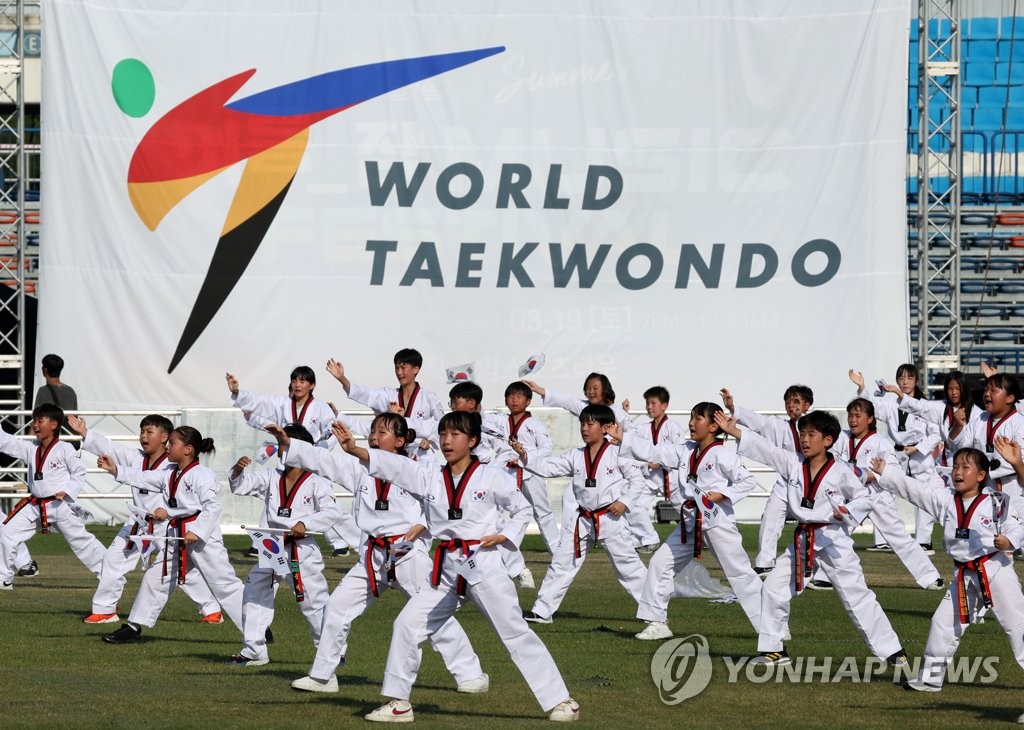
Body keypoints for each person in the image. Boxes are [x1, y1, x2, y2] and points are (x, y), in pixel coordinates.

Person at [335, 412, 580, 723]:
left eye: (455, 435)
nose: (447, 441)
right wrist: (357, 450)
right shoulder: (430, 476)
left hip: (483, 565)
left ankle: (562, 701)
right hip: (446, 570)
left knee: (514, 633)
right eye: (443, 435)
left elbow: (521, 509)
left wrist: (506, 535)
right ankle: (399, 704)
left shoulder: (491, 477)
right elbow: (397, 467)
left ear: (472, 441)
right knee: (407, 625)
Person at [275, 415, 488, 696]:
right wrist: (289, 443)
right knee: (337, 606)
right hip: (372, 555)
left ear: (400, 442)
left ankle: (470, 673)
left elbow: (443, 502)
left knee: (431, 613)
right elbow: (326, 462)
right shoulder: (359, 469)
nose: (374, 436)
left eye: (383, 432)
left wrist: (423, 524)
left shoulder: (417, 471)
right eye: (373, 431)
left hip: (408, 554)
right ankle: (323, 675)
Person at [714, 408, 908, 668]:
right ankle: (774, 650)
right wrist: (735, 430)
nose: (804, 439)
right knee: (772, 588)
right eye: (802, 433)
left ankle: (892, 651)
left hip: (833, 540)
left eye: (811, 434)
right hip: (803, 540)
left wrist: (847, 511)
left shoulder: (840, 471)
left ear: (828, 440)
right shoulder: (793, 463)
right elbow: (765, 449)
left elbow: (864, 497)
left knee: (856, 596)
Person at [870, 448, 1024, 692]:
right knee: (942, 623)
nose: (958, 473)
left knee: (1017, 625)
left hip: (994, 571)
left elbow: (1016, 525)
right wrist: (886, 473)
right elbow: (915, 491)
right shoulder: (945, 498)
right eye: (955, 468)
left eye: (965, 468)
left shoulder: (996, 501)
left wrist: (1009, 541)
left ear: (981, 475)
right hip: (963, 575)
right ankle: (930, 679)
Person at [614, 401, 761, 640]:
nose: (691, 423)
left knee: (740, 574)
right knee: (660, 563)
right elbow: (655, 451)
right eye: (691, 418)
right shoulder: (686, 449)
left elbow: (747, 481)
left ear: (714, 425)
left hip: (717, 523)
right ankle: (657, 622)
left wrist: (720, 494)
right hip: (691, 522)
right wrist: (624, 439)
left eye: (698, 419)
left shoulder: (723, 454)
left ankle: (772, 626)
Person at [68, 414, 223, 624]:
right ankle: (105, 609)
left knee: (177, 568)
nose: (143, 436)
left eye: (150, 432)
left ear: (164, 437)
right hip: (138, 522)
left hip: (165, 525)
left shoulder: (172, 466)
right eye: (142, 431)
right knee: (113, 558)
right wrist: (85, 432)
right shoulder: (135, 458)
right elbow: (111, 448)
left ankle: (211, 608)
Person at [98, 426, 245, 643]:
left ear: (188, 449)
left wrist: (196, 531)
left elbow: (212, 507)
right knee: (154, 577)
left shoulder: (203, 475)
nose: (167, 447)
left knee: (223, 584)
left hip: (203, 539)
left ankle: (256, 627)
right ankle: (133, 627)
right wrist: (116, 470)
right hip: (176, 535)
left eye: (173, 443)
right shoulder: (169, 473)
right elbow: (143, 477)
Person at [515, 404, 649, 624]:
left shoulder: (618, 453)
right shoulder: (575, 455)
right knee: (561, 563)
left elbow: (637, 481)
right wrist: (525, 456)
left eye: (590, 424)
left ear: (606, 427)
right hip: (582, 520)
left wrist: (624, 502)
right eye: (582, 424)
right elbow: (548, 468)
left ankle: (654, 612)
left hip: (610, 518)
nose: (585, 428)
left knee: (628, 567)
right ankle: (542, 611)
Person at [228, 423, 340, 666]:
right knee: (255, 593)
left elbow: (331, 512)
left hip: (301, 549)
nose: (282, 450)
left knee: (312, 600)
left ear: (304, 451)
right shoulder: (271, 476)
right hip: (271, 545)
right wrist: (237, 471)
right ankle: (254, 649)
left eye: (287, 445)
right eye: (281, 445)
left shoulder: (317, 482)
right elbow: (241, 487)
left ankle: (331, 652)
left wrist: (306, 523)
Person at [226, 367, 361, 557]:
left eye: (303, 381)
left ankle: (346, 542)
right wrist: (238, 394)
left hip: (312, 464)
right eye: (295, 380)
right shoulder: (282, 403)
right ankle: (264, 545)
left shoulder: (321, 408)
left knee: (321, 505)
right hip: (286, 461)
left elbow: (331, 433)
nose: (297, 385)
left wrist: (316, 454)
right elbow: (261, 404)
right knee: (276, 500)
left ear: (312, 385)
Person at [523, 372, 657, 551]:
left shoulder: (616, 412)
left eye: (595, 388)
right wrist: (540, 390)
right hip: (589, 465)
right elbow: (567, 401)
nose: (590, 392)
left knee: (629, 499)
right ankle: (569, 540)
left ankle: (648, 538)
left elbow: (631, 432)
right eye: (588, 388)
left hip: (613, 465)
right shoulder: (586, 409)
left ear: (605, 390)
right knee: (570, 497)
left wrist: (621, 437)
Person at [832, 400, 943, 590]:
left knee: (899, 538)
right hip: (851, 497)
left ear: (870, 419)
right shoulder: (841, 437)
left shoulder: (881, 443)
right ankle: (822, 577)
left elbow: (882, 473)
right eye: (850, 415)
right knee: (831, 534)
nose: (853, 420)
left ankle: (930, 577)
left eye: (858, 416)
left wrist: (860, 473)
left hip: (876, 496)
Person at [0, 403, 104, 589]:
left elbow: (79, 472)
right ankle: (4, 578)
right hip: (34, 505)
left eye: (40, 420)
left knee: (81, 541)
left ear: (54, 425)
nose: (35, 425)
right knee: (7, 532)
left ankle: (109, 573)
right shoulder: (31, 448)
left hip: (59, 505)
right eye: (34, 420)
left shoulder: (65, 448)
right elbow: (6, 441)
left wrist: (69, 491)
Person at [720, 385, 816, 579]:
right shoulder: (779, 426)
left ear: (807, 405)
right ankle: (765, 563)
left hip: (814, 479)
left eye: (796, 401)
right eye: (788, 401)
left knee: (814, 523)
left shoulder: (819, 426)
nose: (791, 405)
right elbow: (758, 422)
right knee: (770, 517)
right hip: (787, 480)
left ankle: (818, 568)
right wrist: (733, 408)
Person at [851, 365, 944, 554]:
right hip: (896, 453)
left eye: (909, 378)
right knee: (883, 491)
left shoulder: (924, 406)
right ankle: (884, 540)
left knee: (924, 495)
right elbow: (871, 407)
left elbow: (936, 434)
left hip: (919, 455)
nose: (905, 382)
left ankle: (924, 541)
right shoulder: (891, 404)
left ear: (916, 381)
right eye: (901, 378)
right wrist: (862, 387)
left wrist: (918, 448)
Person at [624, 386, 686, 553]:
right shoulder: (643, 429)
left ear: (664, 405)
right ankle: (649, 539)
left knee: (688, 511)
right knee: (633, 504)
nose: (649, 407)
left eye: (653, 403)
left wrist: (659, 462)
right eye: (647, 403)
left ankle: (704, 537)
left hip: (673, 478)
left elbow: (681, 452)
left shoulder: (673, 427)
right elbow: (628, 437)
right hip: (650, 478)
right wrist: (623, 414)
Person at [948, 373, 1024, 496]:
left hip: (1012, 489)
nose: (987, 394)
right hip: (982, 487)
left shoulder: (1019, 424)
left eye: (993, 390)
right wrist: (957, 426)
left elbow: (1021, 466)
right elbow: (959, 449)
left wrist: (1014, 463)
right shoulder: (979, 420)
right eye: (986, 389)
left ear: (1009, 398)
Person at [328, 349, 444, 422]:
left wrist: (429, 440)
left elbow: (441, 426)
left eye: (403, 368)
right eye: (396, 368)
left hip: (422, 457)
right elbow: (367, 395)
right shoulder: (388, 395)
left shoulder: (429, 398)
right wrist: (342, 379)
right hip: (395, 454)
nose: (399, 372)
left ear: (416, 369)